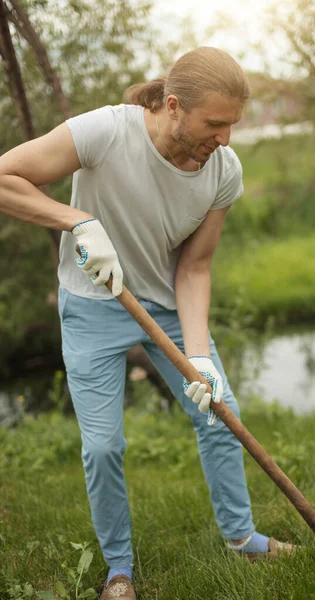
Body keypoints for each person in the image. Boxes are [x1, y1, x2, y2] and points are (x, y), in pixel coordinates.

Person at [0, 47, 296, 600]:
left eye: (233, 123)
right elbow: (4, 177)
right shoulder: (105, 133)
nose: (226, 138)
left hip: (165, 306)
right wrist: (77, 221)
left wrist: (200, 354)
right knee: (104, 446)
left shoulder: (223, 171)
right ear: (175, 106)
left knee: (219, 410)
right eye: (215, 123)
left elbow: (196, 267)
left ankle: (241, 537)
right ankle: (119, 570)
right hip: (91, 307)